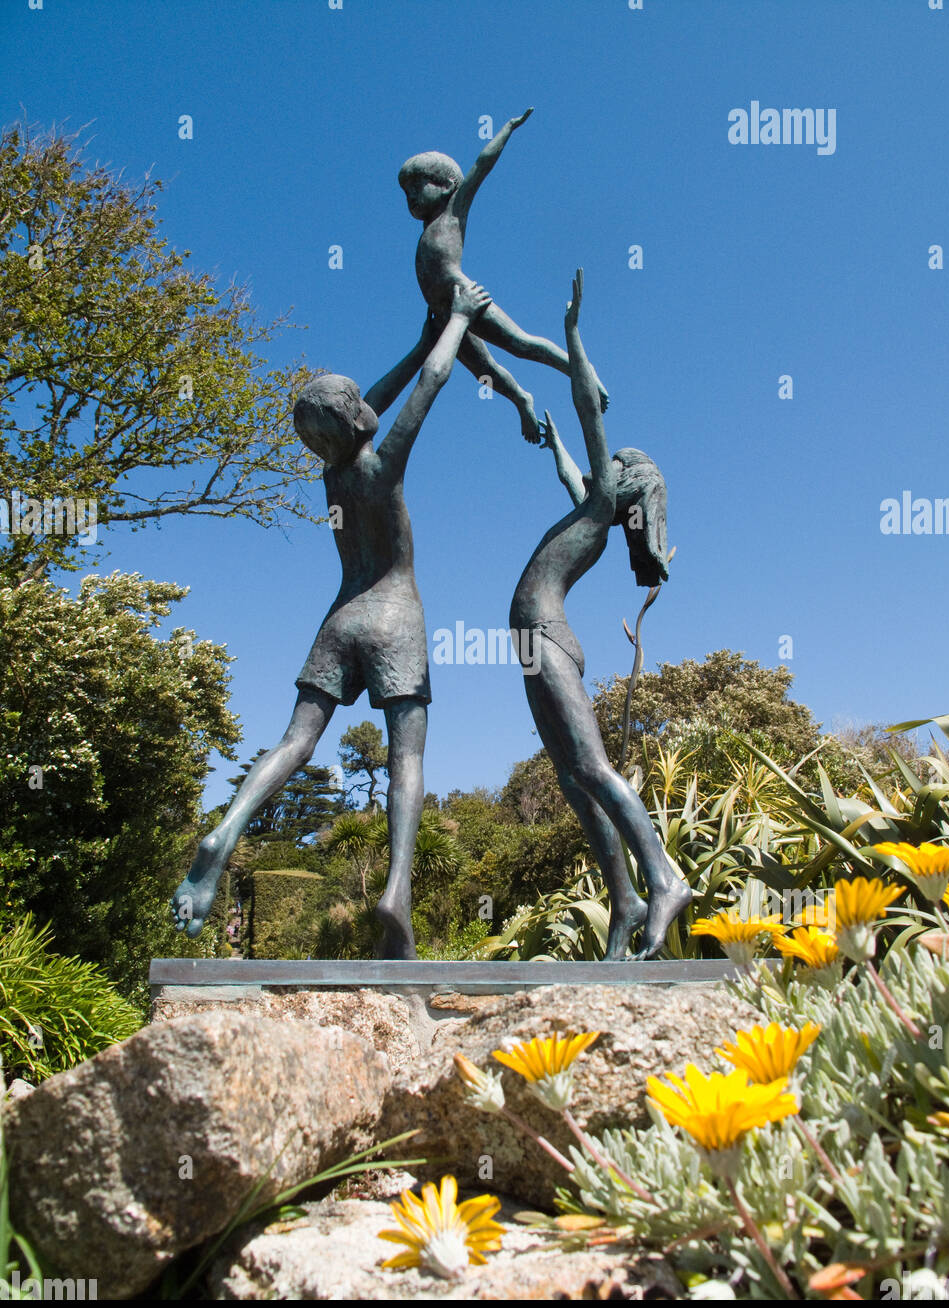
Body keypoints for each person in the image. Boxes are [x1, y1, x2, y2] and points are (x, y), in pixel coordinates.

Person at [171, 281, 492, 960]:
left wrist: (419, 337)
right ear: (358, 419)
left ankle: (225, 830)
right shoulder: (385, 464)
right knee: (406, 757)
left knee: (295, 741)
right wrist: (457, 324)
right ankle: (397, 890)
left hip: (339, 617)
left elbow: (368, 401)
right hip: (395, 614)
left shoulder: (333, 474)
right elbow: (428, 388)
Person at [509, 270, 691, 960]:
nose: (597, 463)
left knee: (590, 765)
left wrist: (572, 335)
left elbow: (589, 406)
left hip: (546, 636)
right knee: (570, 779)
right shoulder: (588, 506)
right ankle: (625, 905)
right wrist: (553, 440)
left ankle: (665, 877)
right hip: (534, 641)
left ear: (623, 483)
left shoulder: (596, 509)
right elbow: (569, 464)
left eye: (609, 462)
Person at [398, 108, 608, 444]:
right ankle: (522, 400)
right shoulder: (427, 228)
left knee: (521, 344)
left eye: (417, 186)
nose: (410, 197)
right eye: (405, 192)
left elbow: (482, 166)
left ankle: (583, 372)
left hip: (466, 298)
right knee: (486, 373)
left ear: (448, 186)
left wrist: (507, 129)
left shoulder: (453, 213)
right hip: (444, 314)